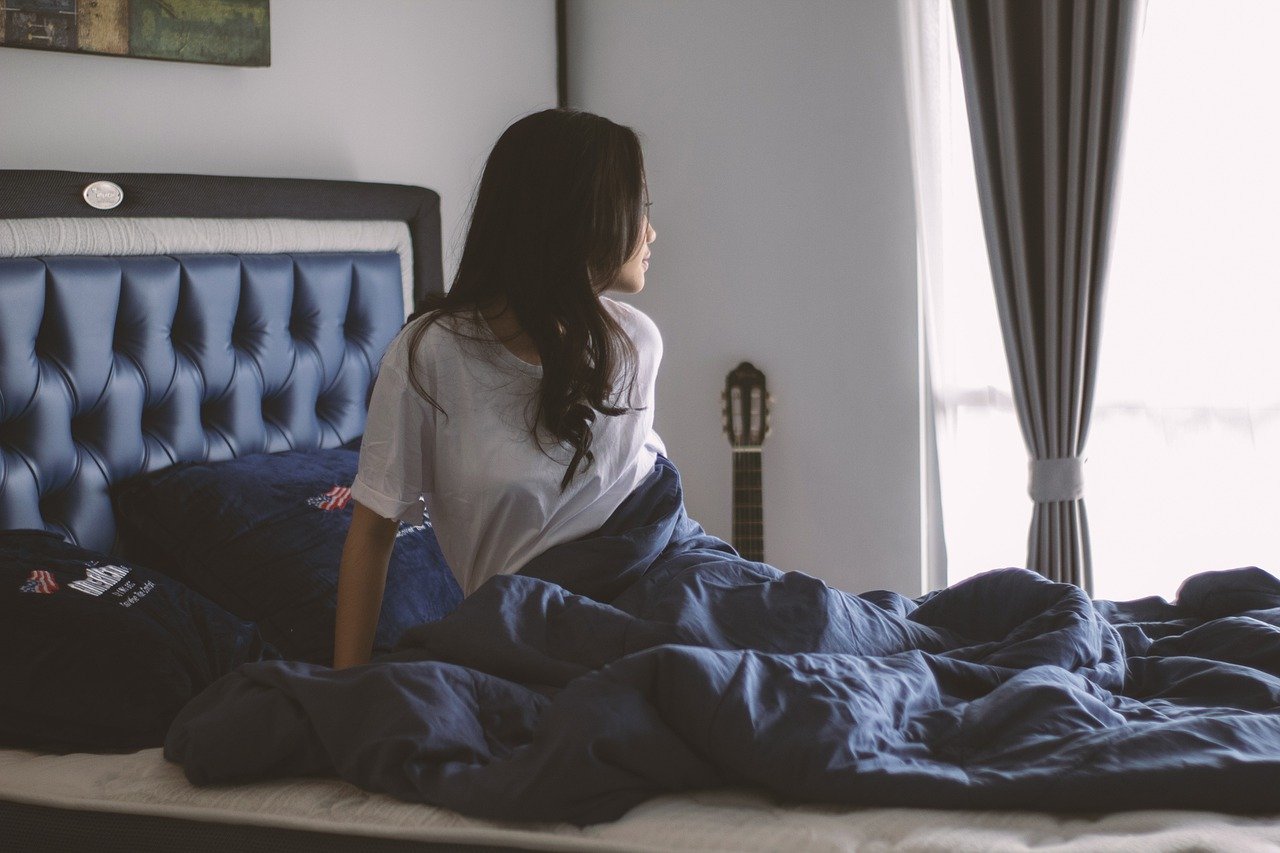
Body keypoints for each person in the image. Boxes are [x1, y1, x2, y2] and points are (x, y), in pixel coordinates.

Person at [333, 108, 662, 669]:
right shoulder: (430, 355)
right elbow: (371, 532)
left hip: (661, 585)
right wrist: (345, 691)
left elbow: (640, 505)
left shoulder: (635, 341)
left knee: (802, 638)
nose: (651, 232)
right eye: (639, 210)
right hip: (529, 632)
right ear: (580, 214)